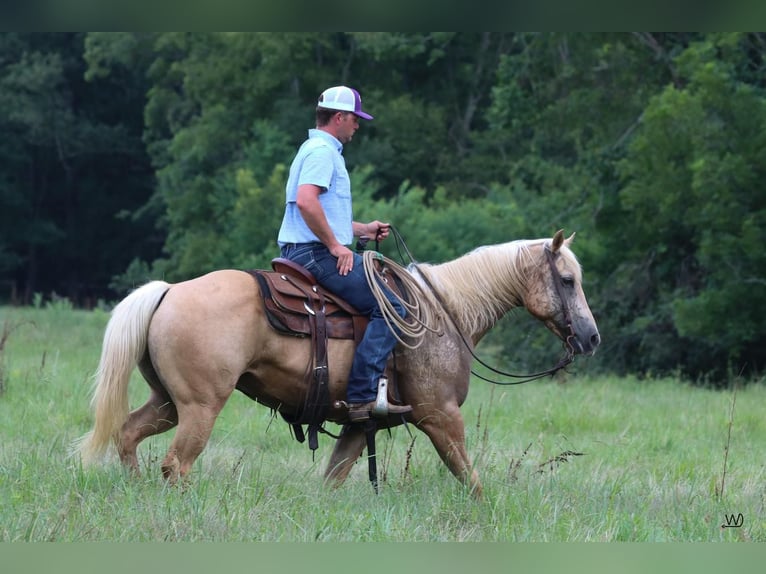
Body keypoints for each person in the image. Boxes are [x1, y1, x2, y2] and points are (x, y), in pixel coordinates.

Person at [277, 85, 412, 423]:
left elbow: (317, 211)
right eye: (355, 118)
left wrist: (361, 230)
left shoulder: (315, 149)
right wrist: (337, 247)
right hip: (314, 254)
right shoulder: (323, 152)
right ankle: (362, 397)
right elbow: (307, 201)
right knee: (392, 307)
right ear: (338, 118)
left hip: (303, 248)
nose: (358, 125)